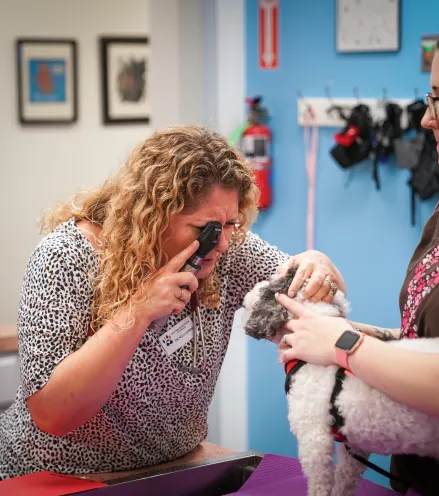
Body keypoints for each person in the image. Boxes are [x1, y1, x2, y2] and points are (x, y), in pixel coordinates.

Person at [0, 125, 345, 479]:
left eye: (232, 224)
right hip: (58, 475)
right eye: (206, 229)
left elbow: (303, 290)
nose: (223, 243)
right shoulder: (66, 258)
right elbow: (51, 413)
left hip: (170, 471)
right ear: (151, 216)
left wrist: (315, 264)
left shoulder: (222, 251)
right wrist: (138, 311)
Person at [276, 8, 439, 496]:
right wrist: (344, 330)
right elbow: (435, 340)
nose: (425, 117)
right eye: (426, 98)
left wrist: (345, 346)